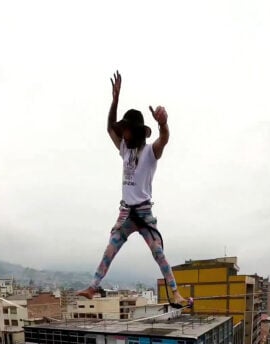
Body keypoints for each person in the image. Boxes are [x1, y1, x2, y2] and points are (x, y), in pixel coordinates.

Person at [76, 71, 191, 310]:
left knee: (158, 253)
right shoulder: (124, 150)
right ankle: (93, 286)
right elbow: (110, 127)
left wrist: (163, 123)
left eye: (127, 129)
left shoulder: (150, 152)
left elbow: (164, 139)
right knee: (111, 248)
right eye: (124, 129)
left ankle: (175, 293)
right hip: (126, 212)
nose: (123, 133)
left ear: (136, 131)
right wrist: (115, 100)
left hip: (144, 211)